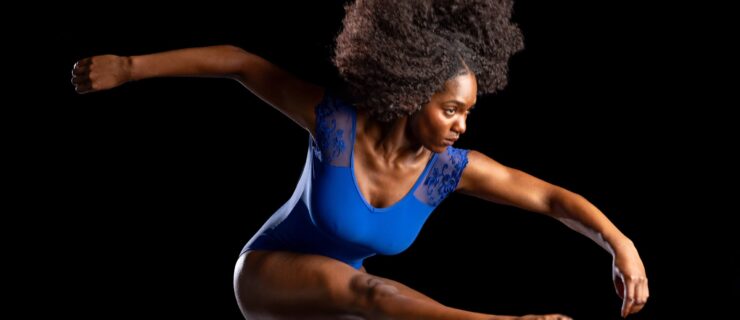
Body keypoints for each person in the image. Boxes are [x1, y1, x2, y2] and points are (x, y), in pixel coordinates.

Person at [71, 0, 648, 319]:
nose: (461, 125)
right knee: (374, 294)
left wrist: (619, 243)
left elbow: (548, 197)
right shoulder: (337, 125)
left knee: (372, 297)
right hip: (270, 273)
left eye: (468, 113)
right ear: (414, 90)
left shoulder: (448, 171)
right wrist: (128, 66)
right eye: (451, 109)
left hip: (346, 291)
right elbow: (240, 62)